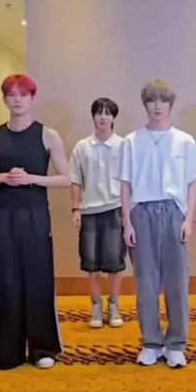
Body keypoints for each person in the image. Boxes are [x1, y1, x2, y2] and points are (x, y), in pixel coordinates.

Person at [0, 73, 71, 371]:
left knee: (38, 279)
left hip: (35, 214)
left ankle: (42, 348)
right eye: (11, 94)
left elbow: (66, 178)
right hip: (3, 214)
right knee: (6, 280)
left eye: (23, 94)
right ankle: (9, 351)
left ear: (32, 98)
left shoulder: (48, 135)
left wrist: (31, 179)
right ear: (4, 99)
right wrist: (3, 177)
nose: (17, 100)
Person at [117, 79, 196, 368]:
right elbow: (125, 185)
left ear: (170, 104)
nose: (158, 106)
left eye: (163, 100)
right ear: (145, 104)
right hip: (141, 213)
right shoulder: (131, 141)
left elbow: (194, 182)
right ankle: (151, 342)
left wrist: (188, 219)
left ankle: (176, 343)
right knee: (146, 281)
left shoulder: (185, 141)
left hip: (174, 212)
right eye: (152, 100)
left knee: (177, 281)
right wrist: (127, 222)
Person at [69, 97, 126, 328]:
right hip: (89, 211)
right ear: (93, 116)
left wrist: (129, 214)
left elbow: (129, 182)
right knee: (90, 263)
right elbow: (75, 180)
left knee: (115, 262)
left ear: (113, 117)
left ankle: (114, 306)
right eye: (99, 113)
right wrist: (75, 209)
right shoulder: (82, 147)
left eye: (107, 113)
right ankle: (96, 307)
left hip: (115, 209)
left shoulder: (123, 145)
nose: (103, 117)